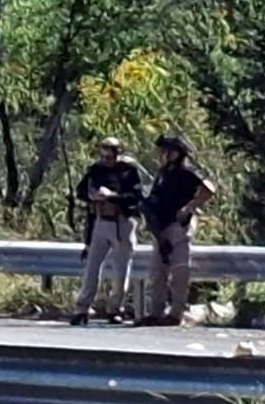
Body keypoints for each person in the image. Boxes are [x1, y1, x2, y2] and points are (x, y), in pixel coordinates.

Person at [136, 134, 216, 326]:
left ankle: (176, 313)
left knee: (179, 271)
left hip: (178, 226)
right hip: (161, 229)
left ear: (176, 153)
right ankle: (156, 313)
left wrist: (189, 207)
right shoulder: (163, 173)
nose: (162, 154)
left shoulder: (188, 172)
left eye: (166, 151)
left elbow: (209, 189)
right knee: (157, 272)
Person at [70, 137, 144, 326]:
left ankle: (115, 309)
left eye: (111, 153)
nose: (107, 158)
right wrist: (92, 196)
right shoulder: (96, 170)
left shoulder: (129, 171)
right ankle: (82, 309)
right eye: (104, 153)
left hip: (123, 222)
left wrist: (112, 196)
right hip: (101, 221)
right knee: (92, 268)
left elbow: (135, 197)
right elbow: (80, 191)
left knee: (120, 270)